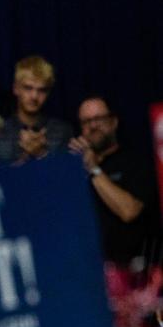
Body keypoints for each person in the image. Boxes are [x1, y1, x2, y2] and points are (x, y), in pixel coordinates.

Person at [68, 96, 161, 264]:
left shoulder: (137, 161)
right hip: (92, 271)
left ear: (114, 122)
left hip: (137, 270)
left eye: (99, 119)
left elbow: (129, 211)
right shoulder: (74, 170)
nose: (93, 126)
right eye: (86, 121)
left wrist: (93, 170)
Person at [0, 56, 73, 165]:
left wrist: (42, 154)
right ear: (16, 88)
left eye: (42, 90)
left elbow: (66, 176)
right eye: (28, 88)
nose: (34, 96)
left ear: (48, 92)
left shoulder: (62, 132)